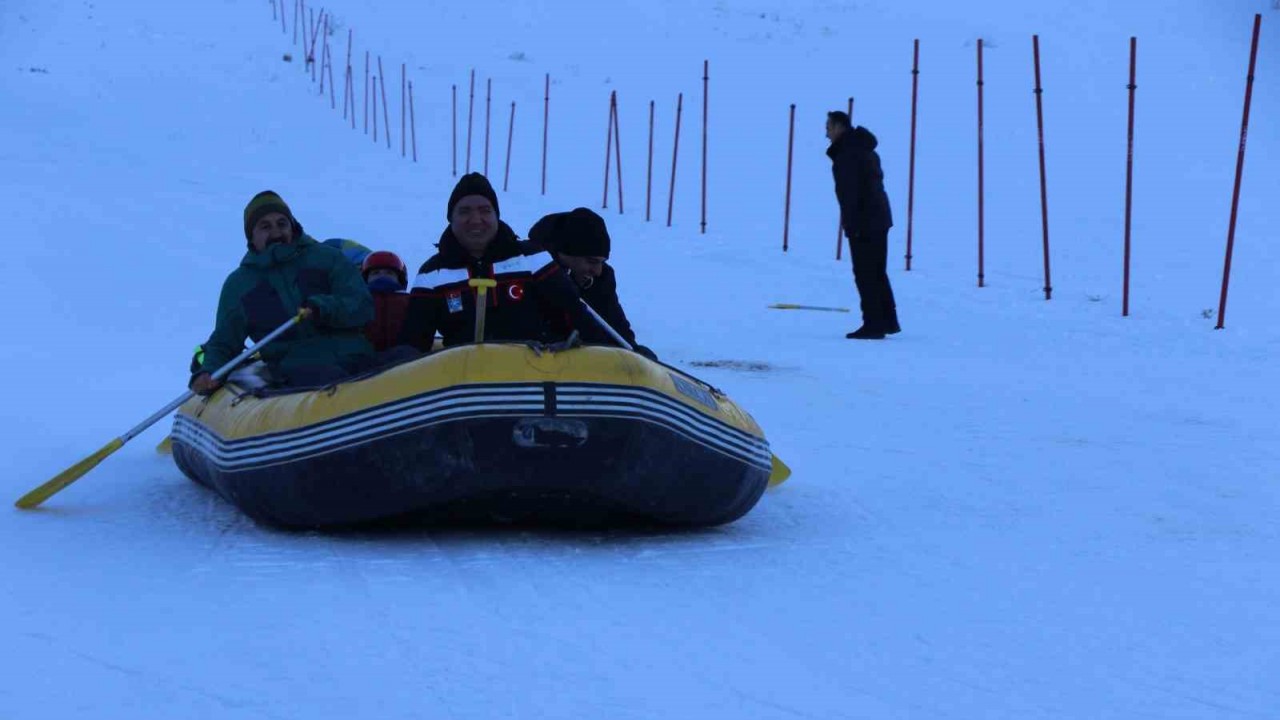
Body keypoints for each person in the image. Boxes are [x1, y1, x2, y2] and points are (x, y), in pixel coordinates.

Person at [189, 190, 375, 394]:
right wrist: (209, 371)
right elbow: (224, 341)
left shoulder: (327, 258)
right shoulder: (239, 285)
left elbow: (362, 305)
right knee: (328, 378)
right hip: (299, 374)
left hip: (356, 355)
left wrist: (324, 308)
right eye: (265, 227)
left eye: (282, 223)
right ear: (251, 236)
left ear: (292, 225)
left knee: (404, 355)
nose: (276, 232)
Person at [398, 173, 593, 351]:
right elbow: (414, 343)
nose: (476, 220)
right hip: (465, 380)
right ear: (451, 218)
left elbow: (575, 316)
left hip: (534, 375)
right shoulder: (433, 273)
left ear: (496, 216)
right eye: (464, 211)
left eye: (485, 210)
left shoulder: (532, 258)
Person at [527, 207, 657, 361]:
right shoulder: (531, 271)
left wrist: (632, 351)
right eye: (591, 261)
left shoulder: (600, 279)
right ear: (565, 254)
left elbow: (614, 324)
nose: (598, 270)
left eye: (601, 262)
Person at [826, 110, 900, 340]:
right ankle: (887, 320)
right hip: (879, 217)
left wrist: (853, 224)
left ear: (839, 127)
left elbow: (851, 193)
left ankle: (873, 324)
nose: (826, 134)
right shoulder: (863, 148)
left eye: (828, 128)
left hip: (866, 220)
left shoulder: (848, 153)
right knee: (877, 271)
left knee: (866, 272)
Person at [360, 250, 413, 352]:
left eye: (389, 273)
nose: (382, 276)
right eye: (376, 273)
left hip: (403, 361)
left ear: (399, 279)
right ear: (365, 279)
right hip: (363, 359)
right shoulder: (357, 302)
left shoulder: (410, 302)